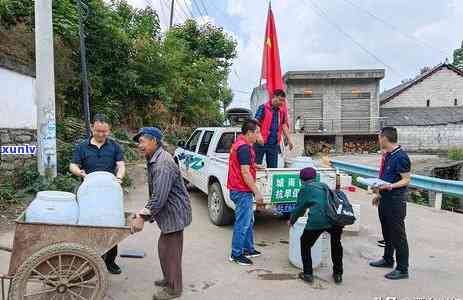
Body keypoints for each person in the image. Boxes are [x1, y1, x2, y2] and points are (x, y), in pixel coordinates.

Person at [131, 127, 192, 300]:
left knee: (170, 252)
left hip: (174, 213)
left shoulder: (163, 163)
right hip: (169, 212)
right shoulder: (154, 157)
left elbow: (159, 197)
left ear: (154, 141)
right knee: (164, 249)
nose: (139, 145)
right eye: (139, 142)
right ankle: (168, 279)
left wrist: (142, 217)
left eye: (142, 141)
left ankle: (174, 289)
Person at [70, 113, 125, 275]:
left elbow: (121, 165)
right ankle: (90, 260)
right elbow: (73, 165)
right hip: (89, 192)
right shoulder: (82, 146)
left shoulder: (114, 146)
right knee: (88, 225)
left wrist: (119, 177)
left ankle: (110, 261)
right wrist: (80, 173)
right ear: (92, 128)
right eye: (98, 131)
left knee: (111, 224)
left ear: (109, 130)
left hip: (109, 192)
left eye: (105, 131)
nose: (101, 134)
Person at [369, 127, 411, 280]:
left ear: (385, 138)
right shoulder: (388, 155)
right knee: (387, 232)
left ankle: (402, 268)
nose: (378, 140)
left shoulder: (401, 157)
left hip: (395, 201)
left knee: (398, 235)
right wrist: (379, 193)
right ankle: (387, 259)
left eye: (379, 137)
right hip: (385, 198)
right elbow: (385, 177)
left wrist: (390, 186)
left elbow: (406, 179)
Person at [289, 167, 343, 285]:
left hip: (317, 220)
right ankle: (338, 274)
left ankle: (308, 274)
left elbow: (299, 209)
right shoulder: (324, 185)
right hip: (335, 219)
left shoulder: (305, 189)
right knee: (336, 245)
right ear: (315, 177)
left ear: (301, 180)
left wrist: (292, 221)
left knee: (305, 243)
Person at [227, 119, 264, 266]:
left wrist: (255, 165)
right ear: (249, 133)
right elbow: (245, 172)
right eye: (257, 132)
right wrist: (257, 192)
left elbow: (243, 163)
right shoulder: (243, 147)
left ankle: (248, 248)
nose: (259, 135)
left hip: (239, 188)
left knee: (249, 220)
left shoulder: (241, 144)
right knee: (242, 223)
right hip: (242, 190)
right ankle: (236, 254)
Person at [255, 89, 294, 168]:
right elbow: (256, 122)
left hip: (273, 145)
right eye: (280, 100)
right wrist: (258, 135)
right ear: (274, 97)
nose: (281, 103)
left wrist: (289, 139)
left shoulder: (281, 111)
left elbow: (284, 125)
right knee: (256, 166)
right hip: (260, 143)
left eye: (283, 101)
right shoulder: (263, 108)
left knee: (273, 169)